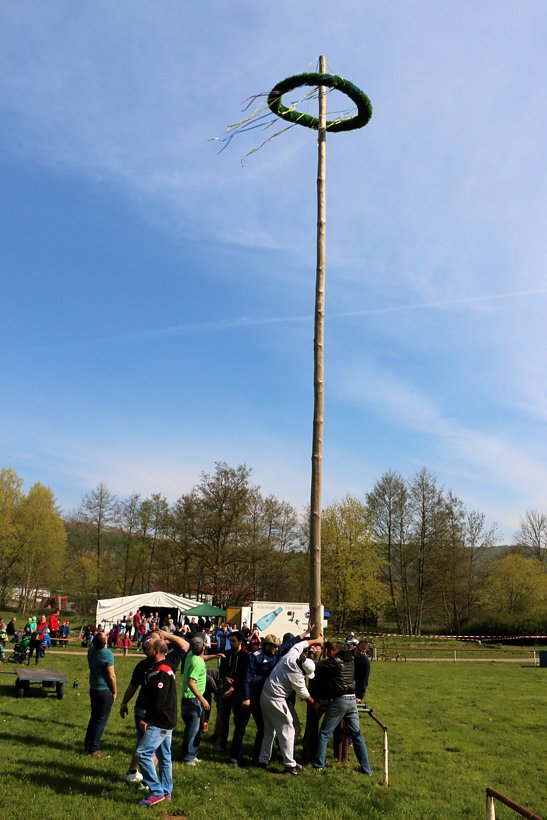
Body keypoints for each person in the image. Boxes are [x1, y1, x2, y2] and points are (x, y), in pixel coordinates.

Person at [119, 629, 189, 784]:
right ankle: (149, 784)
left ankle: (133, 773)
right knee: (152, 750)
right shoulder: (167, 661)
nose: (148, 642)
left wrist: (124, 703)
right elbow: (185, 645)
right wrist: (167, 636)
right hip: (153, 712)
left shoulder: (152, 663)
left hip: (148, 710)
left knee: (144, 746)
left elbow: (132, 686)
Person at [258, 635, 324, 774]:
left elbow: (302, 643)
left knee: (269, 731)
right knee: (288, 729)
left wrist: (317, 640)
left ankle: (263, 760)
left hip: (265, 695)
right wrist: (315, 704)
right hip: (276, 699)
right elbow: (304, 694)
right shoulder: (297, 675)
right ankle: (289, 765)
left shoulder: (293, 654)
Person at [246, 628, 312, 765]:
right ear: (266, 645)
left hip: (269, 693)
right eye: (274, 646)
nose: (276, 649)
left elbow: (292, 644)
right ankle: (276, 760)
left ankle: (262, 759)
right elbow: (247, 679)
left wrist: (306, 633)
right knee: (273, 728)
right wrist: (246, 697)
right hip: (258, 694)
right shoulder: (255, 656)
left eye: (277, 647)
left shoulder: (278, 653)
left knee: (267, 729)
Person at [313, 643, 373, 775]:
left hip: (340, 699)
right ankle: (367, 768)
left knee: (324, 733)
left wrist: (311, 655)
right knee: (357, 735)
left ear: (335, 651)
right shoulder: (351, 661)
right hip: (352, 699)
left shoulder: (336, 660)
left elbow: (317, 666)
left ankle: (318, 765)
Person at [135, 638, 177, 807]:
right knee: (164, 756)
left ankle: (156, 791)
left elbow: (159, 701)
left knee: (142, 753)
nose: (145, 648)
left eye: (148, 647)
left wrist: (147, 719)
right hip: (166, 720)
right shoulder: (160, 668)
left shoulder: (162, 671)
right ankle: (166, 791)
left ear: (157, 651)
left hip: (160, 721)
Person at [216, 631, 250, 766]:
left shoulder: (245, 656)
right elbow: (221, 669)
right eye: (230, 640)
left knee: (238, 721)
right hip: (226, 689)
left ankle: (235, 751)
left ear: (240, 641)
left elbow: (244, 675)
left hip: (238, 692)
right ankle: (222, 744)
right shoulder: (228, 654)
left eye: (234, 641)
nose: (231, 643)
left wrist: (233, 688)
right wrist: (225, 677)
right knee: (224, 718)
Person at [84, 631, 117, 757]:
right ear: (105, 642)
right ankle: (94, 749)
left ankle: (87, 745)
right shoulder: (107, 654)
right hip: (104, 689)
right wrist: (114, 691)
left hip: (93, 687)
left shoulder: (91, 650)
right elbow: (111, 675)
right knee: (101, 720)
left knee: (94, 717)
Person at [181, 635, 210, 764]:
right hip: (194, 700)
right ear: (203, 646)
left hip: (186, 699)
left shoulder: (191, 656)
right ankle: (189, 757)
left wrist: (215, 656)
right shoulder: (197, 663)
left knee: (190, 730)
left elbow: (201, 658)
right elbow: (191, 682)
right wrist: (202, 699)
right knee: (194, 731)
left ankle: (188, 754)